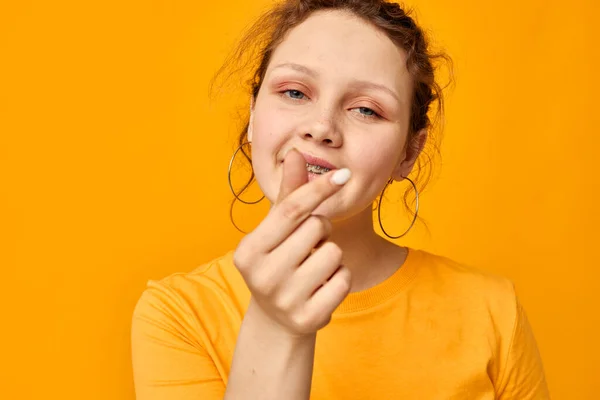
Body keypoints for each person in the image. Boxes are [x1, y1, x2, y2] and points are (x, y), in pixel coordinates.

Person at [131, 0, 550, 398]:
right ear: (254, 115)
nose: (322, 127)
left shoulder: (493, 312)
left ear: (408, 152)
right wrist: (277, 326)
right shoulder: (177, 314)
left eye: (366, 109)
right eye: (295, 92)